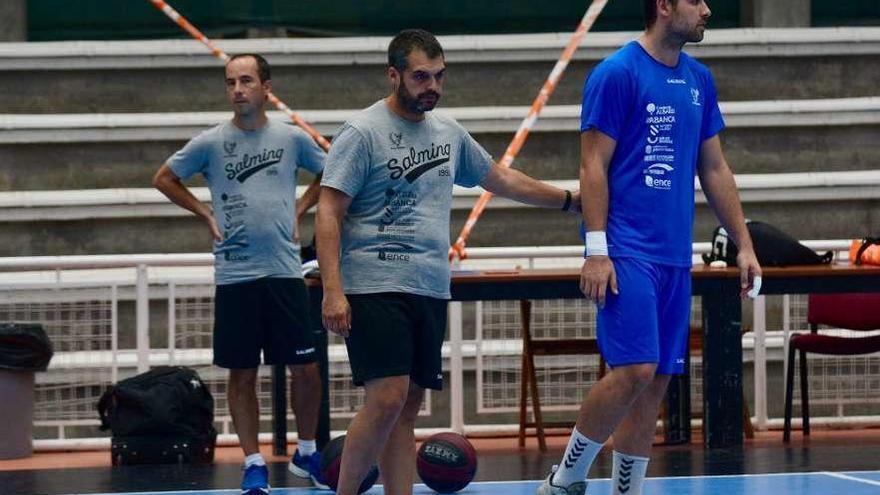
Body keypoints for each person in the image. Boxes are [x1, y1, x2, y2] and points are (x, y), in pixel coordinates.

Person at [316, 29, 580, 495]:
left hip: (429, 285)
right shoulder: (362, 132)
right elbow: (329, 210)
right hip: (375, 283)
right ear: (393, 74)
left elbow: (499, 178)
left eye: (438, 76)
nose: (431, 86)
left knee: (409, 404)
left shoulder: (449, 133)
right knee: (387, 397)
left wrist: (568, 201)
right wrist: (333, 290)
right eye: (421, 76)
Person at [538, 1, 762, 495]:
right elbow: (592, 165)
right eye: (695, 1)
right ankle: (566, 479)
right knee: (634, 367)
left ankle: (626, 490)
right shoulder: (616, 73)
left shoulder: (699, 79)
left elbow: (715, 169)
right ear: (663, 6)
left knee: (656, 380)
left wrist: (744, 243)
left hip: (674, 256)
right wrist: (597, 250)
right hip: (626, 250)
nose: (707, 9)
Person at [152, 53, 327, 495]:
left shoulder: (289, 139)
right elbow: (165, 178)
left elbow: (332, 170)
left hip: (285, 273)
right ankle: (253, 463)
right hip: (236, 275)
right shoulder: (211, 143)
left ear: (266, 87)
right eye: (231, 82)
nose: (237, 90)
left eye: (246, 81)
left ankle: (307, 450)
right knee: (242, 373)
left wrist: (301, 209)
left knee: (305, 368)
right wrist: (204, 212)